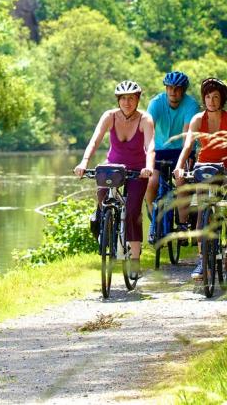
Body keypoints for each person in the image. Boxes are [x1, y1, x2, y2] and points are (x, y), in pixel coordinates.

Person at [74, 80, 155, 276]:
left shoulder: (145, 119)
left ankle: (135, 261)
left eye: (131, 98)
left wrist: (148, 167)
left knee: (134, 210)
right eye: (123, 98)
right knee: (102, 195)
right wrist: (84, 162)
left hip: (137, 169)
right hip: (114, 165)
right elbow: (95, 139)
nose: (127, 102)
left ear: (137, 100)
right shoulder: (109, 116)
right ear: (118, 100)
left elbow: (150, 146)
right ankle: (102, 219)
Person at [174, 77, 227, 279]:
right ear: (203, 99)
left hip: (225, 166)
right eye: (208, 97)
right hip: (203, 167)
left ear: (222, 100)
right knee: (203, 211)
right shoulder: (198, 119)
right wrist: (179, 167)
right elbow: (188, 146)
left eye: (215, 97)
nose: (211, 101)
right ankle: (202, 261)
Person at [145, 70, 198, 231]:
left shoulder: (191, 104)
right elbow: (149, 129)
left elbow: (186, 134)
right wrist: (148, 154)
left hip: (180, 150)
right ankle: (152, 211)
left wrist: (186, 158)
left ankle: (182, 223)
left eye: (177, 88)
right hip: (158, 149)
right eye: (169, 88)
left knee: (181, 181)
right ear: (166, 88)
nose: (172, 92)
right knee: (152, 181)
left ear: (183, 90)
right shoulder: (156, 102)